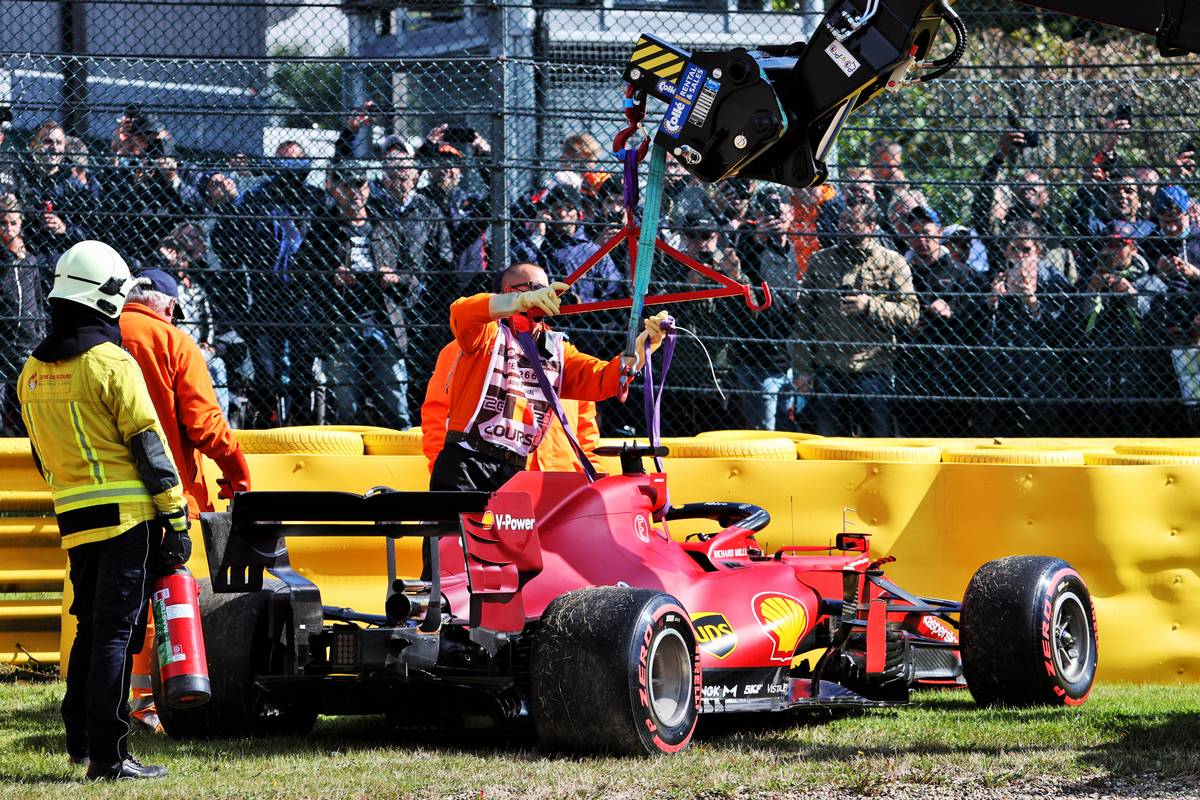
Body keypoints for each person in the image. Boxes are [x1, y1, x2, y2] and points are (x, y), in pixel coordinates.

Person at [18, 240, 189, 781]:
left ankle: (81, 743)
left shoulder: (29, 373)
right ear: (108, 298)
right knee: (116, 634)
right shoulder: (112, 363)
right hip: (128, 520)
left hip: (76, 518)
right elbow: (151, 448)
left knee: (91, 630)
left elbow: (45, 459)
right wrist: (177, 519)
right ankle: (111, 758)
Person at [118, 268, 252, 730]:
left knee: (115, 597)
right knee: (165, 592)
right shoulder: (174, 343)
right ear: (171, 307)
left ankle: (117, 696)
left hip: (98, 494)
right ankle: (148, 700)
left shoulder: (97, 339)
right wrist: (237, 473)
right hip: (164, 494)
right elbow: (205, 426)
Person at [430, 261, 667, 493]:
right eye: (535, 288)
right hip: (467, 463)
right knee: (456, 533)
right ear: (509, 291)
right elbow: (462, 311)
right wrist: (519, 302)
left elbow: (601, 380)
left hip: (516, 472)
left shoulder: (557, 348)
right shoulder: (485, 334)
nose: (545, 294)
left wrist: (639, 349)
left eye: (547, 288)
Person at [301, 166, 417, 428]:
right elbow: (302, 273)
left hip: (385, 322)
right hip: (341, 325)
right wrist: (331, 276)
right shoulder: (323, 229)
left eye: (360, 185)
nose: (355, 193)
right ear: (335, 190)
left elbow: (414, 271)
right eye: (347, 187)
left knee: (396, 400)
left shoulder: (385, 225)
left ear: (368, 188)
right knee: (346, 407)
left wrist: (395, 278)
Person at [795, 200, 919, 436]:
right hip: (829, 368)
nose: (845, 226)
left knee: (877, 446)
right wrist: (802, 369)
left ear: (871, 226)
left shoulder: (893, 262)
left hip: (874, 369)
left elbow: (911, 314)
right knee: (829, 449)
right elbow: (803, 320)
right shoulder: (821, 260)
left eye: (854, 222)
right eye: (843, 221)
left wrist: (870, 305)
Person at [420, 338, 601, 474]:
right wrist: (446, 472)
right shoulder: (468, 348)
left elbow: (586, 436)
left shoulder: (563, 352)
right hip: (493, 481)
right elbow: (437, 417)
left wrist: (594, 479)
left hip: (564, 486)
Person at [895, 206, 988, 436]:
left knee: (954, 434)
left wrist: (952, 309)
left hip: (953, 367)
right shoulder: (900, 272)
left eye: (926, 231)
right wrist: (908, 322)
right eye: (914, 232)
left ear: (938, 232)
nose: (921, 239)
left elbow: (978, 310)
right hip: (912, 366)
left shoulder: (961, 272)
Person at [977, 221, 1075, 436]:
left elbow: (1064, 329)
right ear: (1005, 250)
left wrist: (1032, 303)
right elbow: (975, 326)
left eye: (1027, 249)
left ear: (1039, 250)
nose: (1020, 255)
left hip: (1042, 371)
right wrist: (992, 301)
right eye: (1014, 249)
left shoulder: (1053, 278)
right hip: (999, 369)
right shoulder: (994, 276)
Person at [1074, 221, 1168, 435]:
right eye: (1108, 245)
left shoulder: (1151, 282)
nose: (1112, 250)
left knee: (1136, 420)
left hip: (1139, 365)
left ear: (1133, 248)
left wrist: (1132, 296)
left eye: (1120, 245)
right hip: (1097, 366)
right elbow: (1073, 329)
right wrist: (1091, 291)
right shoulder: (1087, 280)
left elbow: (1155, 329)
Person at [733, 188, 799, 430]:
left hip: (785, 354)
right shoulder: (749, 239)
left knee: (786, 428)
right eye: (768, 209)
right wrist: (757, 238)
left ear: (791, 213)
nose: (775, 215)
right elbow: (739, 268)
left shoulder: (790, 248)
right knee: (763, 431)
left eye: (780, 208)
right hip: (756, 356)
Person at [0, 193, 49, 434]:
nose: (8, 229)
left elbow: (37, 299)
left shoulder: (29, 261)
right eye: (2, 223)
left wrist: (40, 332)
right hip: (3, 343)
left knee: (27, 407)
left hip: (28, 341)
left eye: (13, 223)